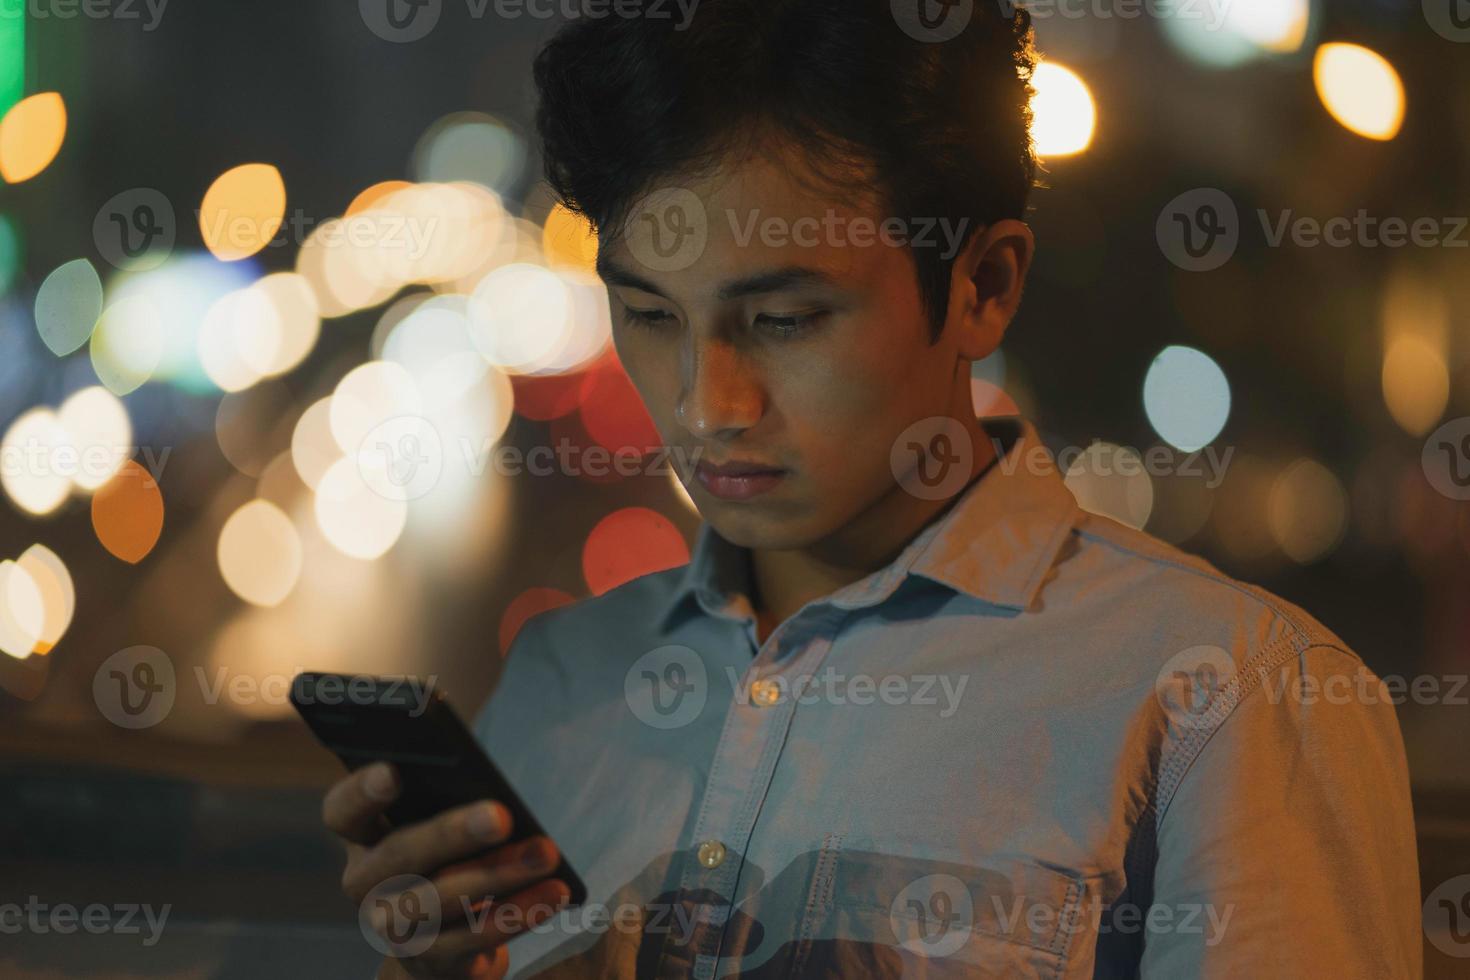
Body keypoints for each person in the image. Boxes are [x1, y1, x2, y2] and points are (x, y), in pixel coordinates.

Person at [323, 1, 1422, 976]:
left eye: (786, 318)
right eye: (651, 315)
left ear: (983, 285)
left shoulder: (1221, 694)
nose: (709, 403)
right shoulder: (565, 680)